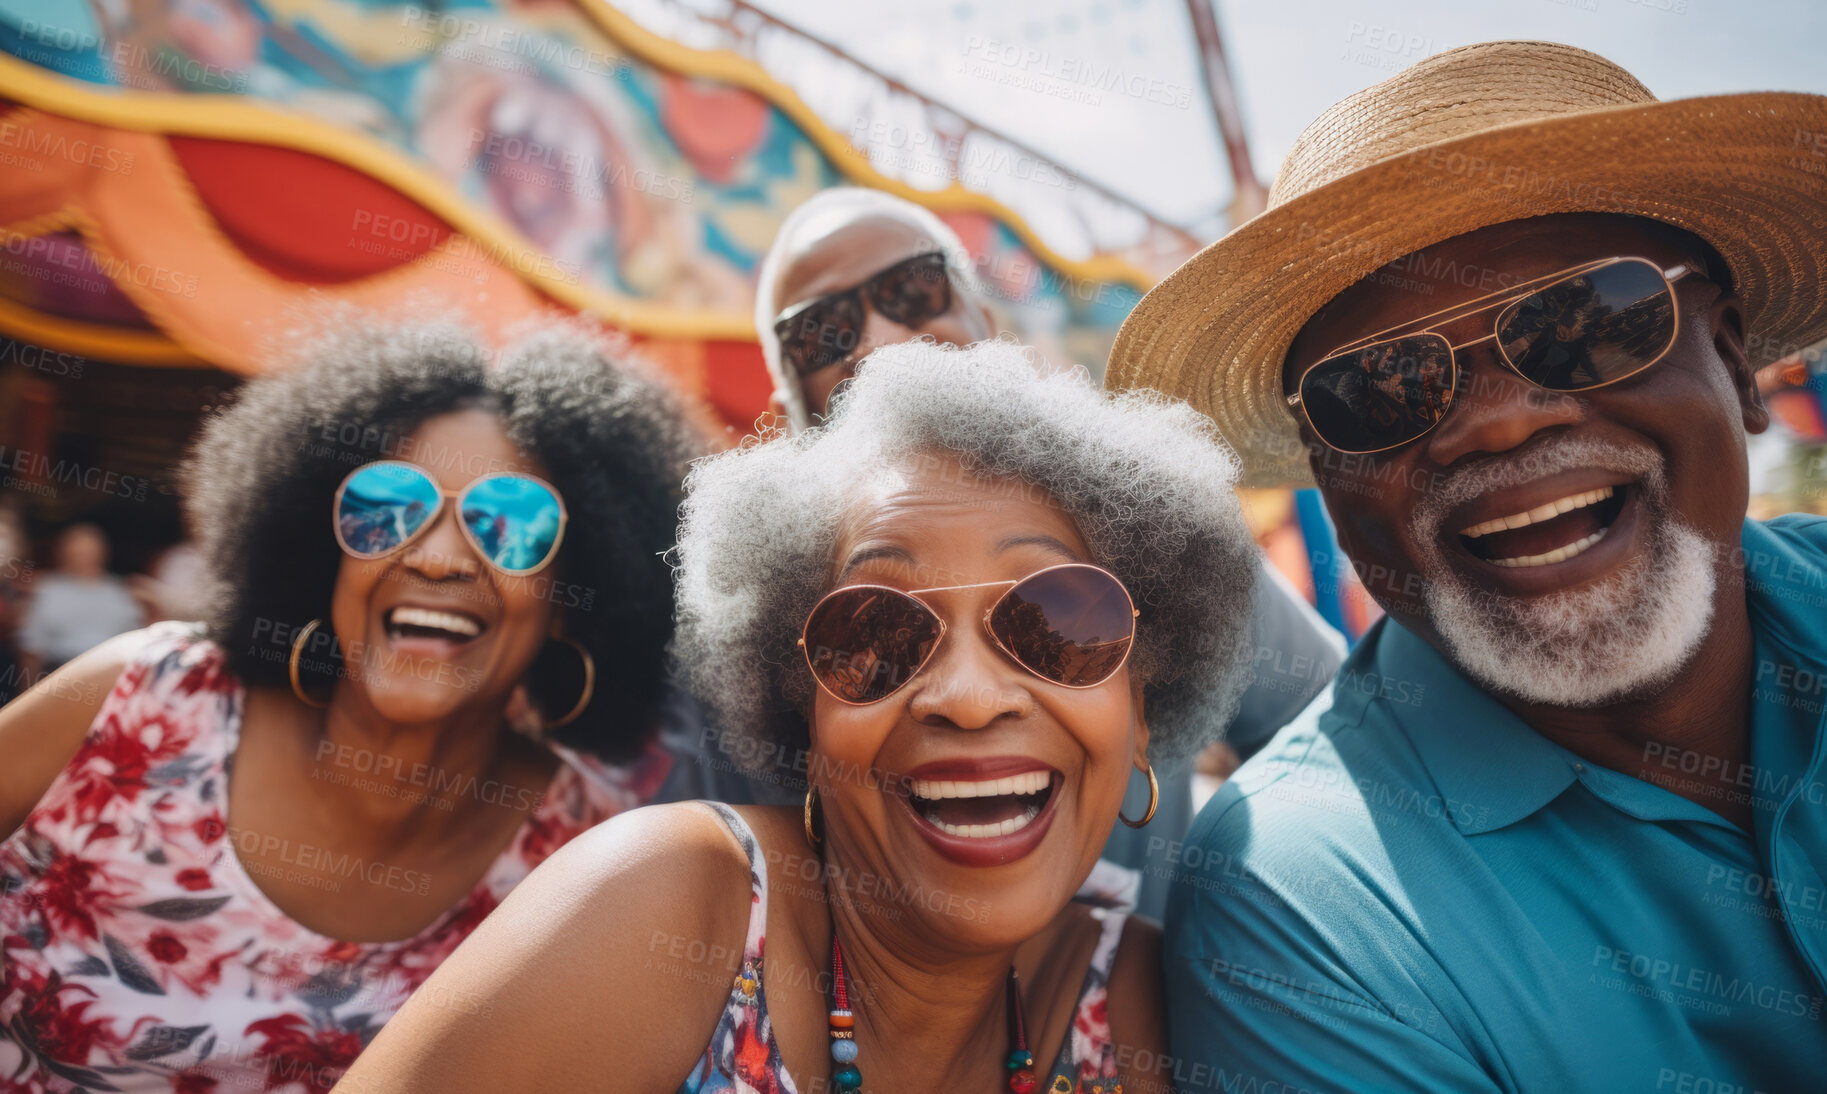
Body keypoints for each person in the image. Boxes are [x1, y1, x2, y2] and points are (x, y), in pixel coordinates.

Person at [1104, 40, 1827, 1093]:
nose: (1494, 424)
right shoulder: (1309, 911)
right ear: (1327, 477)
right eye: (1382, 389)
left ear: (1733, 360)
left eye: (1582, 324)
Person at [334, 339, 1260, 1093]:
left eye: (1058, 622)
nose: (970, 698)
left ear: (1142, 706)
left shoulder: (1140, 1006)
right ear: (802, 714)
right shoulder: (666, 908)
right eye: (874, 633)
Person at [0, 317, 700, 1091]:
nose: (435, 556)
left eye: (511, 525)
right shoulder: (143, 696)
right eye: (387, 506)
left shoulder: (585, 858)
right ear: (324, 549)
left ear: (576, 593)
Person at [743, 187, 1345, 918]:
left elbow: (1333, 725)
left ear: (985, 325)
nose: (875, 341)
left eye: (911, 289)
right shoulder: (752, 634)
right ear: (785, 415)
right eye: (820, 332)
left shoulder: (1151, 529)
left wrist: (1227, 915)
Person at [16, 523, 145, 679]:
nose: (82, 556)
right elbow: (32, 647)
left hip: (111, 676)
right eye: (76, 551)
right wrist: (27, 690)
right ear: (63, 553)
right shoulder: (47, 590)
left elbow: (135, 641)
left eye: (87, 551)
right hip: (59, 675)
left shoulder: (120, 591)